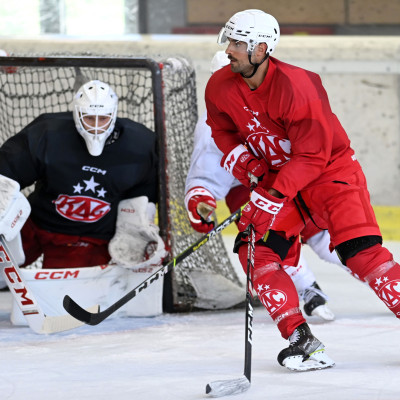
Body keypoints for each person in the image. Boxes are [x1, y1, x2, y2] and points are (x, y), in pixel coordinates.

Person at [205, 9, 400, 372]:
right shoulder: (219, 87)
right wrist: (250, 167)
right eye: (228, 41)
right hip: (282, 179)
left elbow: (312, 156)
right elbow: (222, 133)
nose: (228, 49)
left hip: (330, 174)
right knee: (255, 252)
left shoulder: (298, 86)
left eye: (237, 43)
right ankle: (302, 341)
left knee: (360, 253)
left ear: (261, 49)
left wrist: (269, 196)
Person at [185, 52, 339, 321]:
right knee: (268, 240)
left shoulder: (279, 98)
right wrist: (202, 198)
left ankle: (385, 279)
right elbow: (206, 173)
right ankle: (306, 287)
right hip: (247, 186)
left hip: (290, 177)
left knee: (325, 235)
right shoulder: (212, 125)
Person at [0, 79, 165, 272]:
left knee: (65, 297)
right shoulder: (47, 134)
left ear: (113, 115)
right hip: (36, 222)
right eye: (88, 117)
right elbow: (7, 170)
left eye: (102, 119)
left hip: (89, 237)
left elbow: (144, 196)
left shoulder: (141, 146)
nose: (95, 126)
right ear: (77, 114)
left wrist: (137, 226)